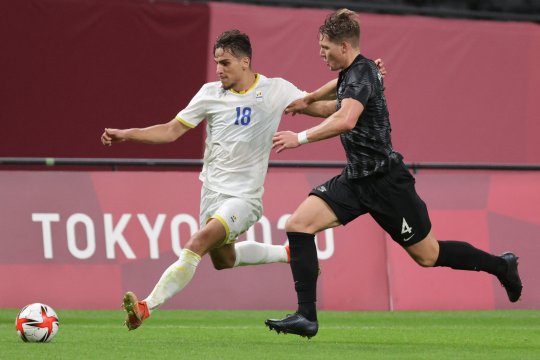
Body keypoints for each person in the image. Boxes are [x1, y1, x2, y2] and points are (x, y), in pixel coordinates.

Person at [100, 29, 388, 331]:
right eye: (216, 63)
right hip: (211, 194)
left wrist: (368, 83)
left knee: (197, 243)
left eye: (225, 63)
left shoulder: (276, 90)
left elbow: (323, 107)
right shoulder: (209, 93)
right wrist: (127, 134)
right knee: (223, 259)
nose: (219, 69)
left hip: (244, 199)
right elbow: (171, 130)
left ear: (244, 61)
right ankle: (288, 253)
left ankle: (145, 307)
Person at [264, 9, 523, 339]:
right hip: (356, 180)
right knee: (298, 225)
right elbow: (337, 96)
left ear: (344, 46)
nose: (321, 54)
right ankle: (306, 316)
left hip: (387, 183)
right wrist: (308, 100)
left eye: (325, 47)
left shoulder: (363, 73)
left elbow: (344, 119)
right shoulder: (355, 72)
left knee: (428, 256)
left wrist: (299, 138)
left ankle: (501, 266)